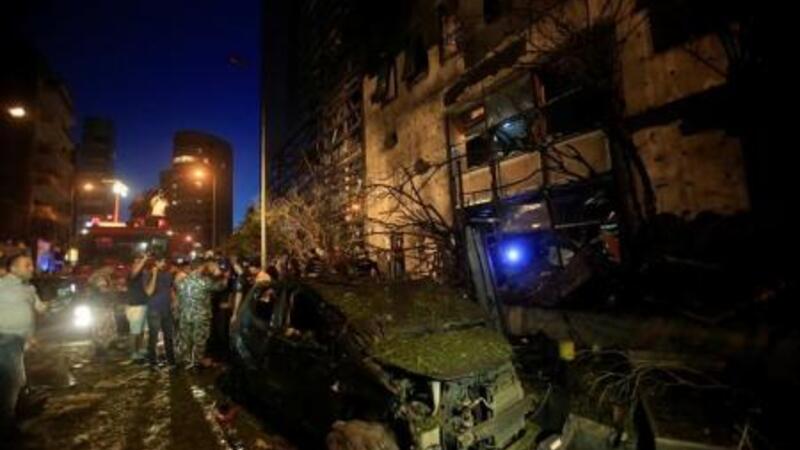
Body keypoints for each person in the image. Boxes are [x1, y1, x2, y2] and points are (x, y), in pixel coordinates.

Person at [0, 254, 46, 436]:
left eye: (32, 265)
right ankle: (6, 426)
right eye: (27, 265)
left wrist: (30, 336)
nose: (32, 268)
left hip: (20, 340)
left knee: (16, 380)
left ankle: (16, 415)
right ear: (13, 268)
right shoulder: (2, 285)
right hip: (6, 338)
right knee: (12, 381)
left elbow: (39, 308)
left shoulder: (29, 289)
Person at [174, 259, 225, 369]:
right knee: (200, 339)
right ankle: (196, 362)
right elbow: (221, 286)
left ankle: (186, 360)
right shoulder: (205, 281)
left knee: (186, 339)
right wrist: (219, 273)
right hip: (200, 316)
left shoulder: (182, 281)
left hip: (185, 315)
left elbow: (177, 291)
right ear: (200, 267)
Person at [144, 256, 176, 369]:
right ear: (155, 262)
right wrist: (154, 275)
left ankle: (171, 361)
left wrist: (174, 301)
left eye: (164, 261)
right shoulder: (147, 274)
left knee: (169, 336)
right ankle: (153, 362)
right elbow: (149, 291)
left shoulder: (168, 275)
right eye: (161, 261)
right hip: (154, 310)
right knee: (153, 337)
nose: (163, 263)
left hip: (166, 309)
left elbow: (170, 289)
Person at [126, 254, 149, 362]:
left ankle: (140, 350)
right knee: (135, 331)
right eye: (137, 262)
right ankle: (133, 352)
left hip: (144, 304)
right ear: (132, 264)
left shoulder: (143, 274)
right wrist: (144, 260)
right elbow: (135, 273)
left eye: (140, 262)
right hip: (135, 305)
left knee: (142, 331)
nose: (140, 264)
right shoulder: (131, 274)